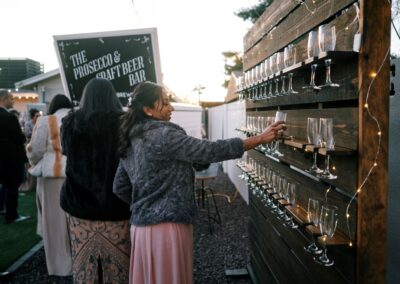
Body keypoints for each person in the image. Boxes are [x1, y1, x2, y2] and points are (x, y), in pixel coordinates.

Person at [113, 81, 285, 284]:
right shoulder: (164, 134)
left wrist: (146, 202)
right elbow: (210, 150)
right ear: (148, 109)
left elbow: (120, 187)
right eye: (166, 103)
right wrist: (259, 139)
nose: (172, 107)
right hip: (167, 229)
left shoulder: (130, 137)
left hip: (141, 229)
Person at [60, 78, 131, 283]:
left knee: (85, 269)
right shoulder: (124, 123)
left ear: (86, 97)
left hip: (80, 206)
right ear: (112, 96)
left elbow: (66, 152)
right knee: (120, 270)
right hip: (117, 206)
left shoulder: (71, 122)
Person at [26, 94, 73, 276]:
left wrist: (33, 161)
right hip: (75, 174)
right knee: (73, 220)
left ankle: (59, 266)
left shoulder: (46, 120)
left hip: (52, 176)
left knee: (53, 222)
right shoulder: (78, 118)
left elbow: (35, 149)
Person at [0, 89, 30, 223]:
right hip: (12, 157)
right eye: (11, 98)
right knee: (12, 185)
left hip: (2, 157)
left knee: (4, 184)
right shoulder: (10, 117)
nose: (13, 101)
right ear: (5, 98)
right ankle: (12, 215)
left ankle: (2, 209)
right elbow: (20, 138)